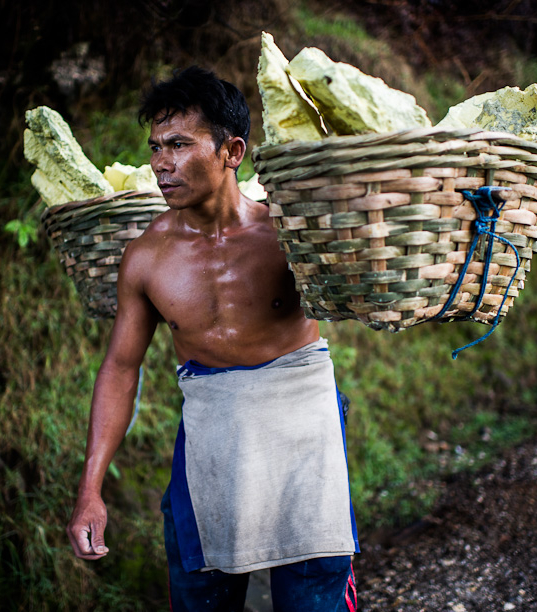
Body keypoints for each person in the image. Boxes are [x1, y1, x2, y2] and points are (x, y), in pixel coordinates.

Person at [66, 66, 359, 612]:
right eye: (155, 147)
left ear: (232, 151)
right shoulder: (147, 258)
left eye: (179, 144)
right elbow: (121, 368)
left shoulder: (288, 235)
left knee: (315, 595)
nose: (160, 163)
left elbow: (368, 283)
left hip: (303, 426)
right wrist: (91, 490)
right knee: (202, 595)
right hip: (213, 434)